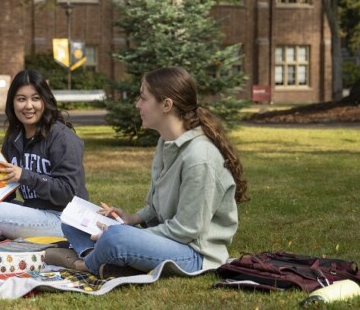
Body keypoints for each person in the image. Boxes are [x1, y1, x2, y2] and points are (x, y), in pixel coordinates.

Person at [45, 66, 248, 278]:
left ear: (166, 105)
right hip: (165, 239)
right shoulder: (166, 141)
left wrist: (128, 232)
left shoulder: (200, 158)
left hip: (195, 254)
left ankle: (84, 264)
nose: (137, 104)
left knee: (116, 237)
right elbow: (157, 206)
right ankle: (107, 257)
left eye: (143, 98)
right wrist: (132, 218)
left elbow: (188, 230)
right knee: (71, 220)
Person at [0, 69, 89, 240]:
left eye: (35, 98)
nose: (28, 106)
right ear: (12, 103)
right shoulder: (15, 137)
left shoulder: (62, 137)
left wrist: (24, 175)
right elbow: (6, 198)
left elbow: (68, 193)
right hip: (33, 211)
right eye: (21, 99)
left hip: (64, 219)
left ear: (45, 101)